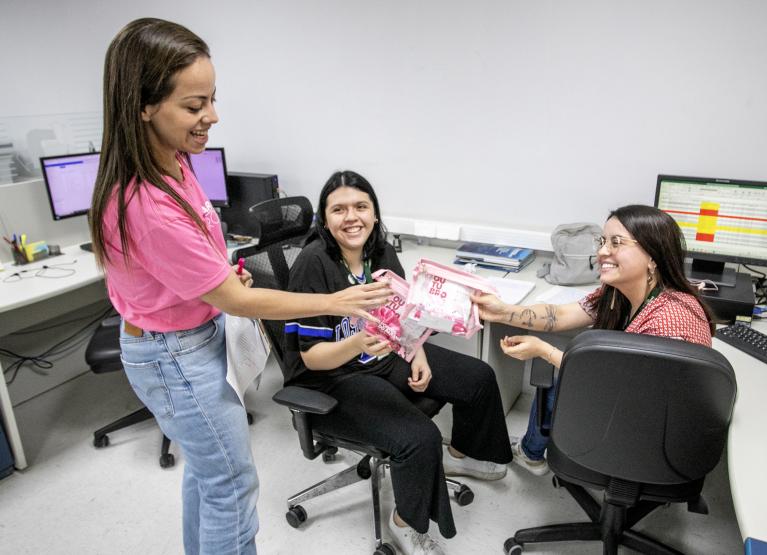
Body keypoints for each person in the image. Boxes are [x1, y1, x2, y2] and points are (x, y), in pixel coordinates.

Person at [88, 19, 391, 555]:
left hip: (192, 338)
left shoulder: (174, 163)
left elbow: (205, 266)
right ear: (144, 106)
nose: (213, 116)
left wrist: (220, 271)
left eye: (212, 99)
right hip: (172, 353)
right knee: (232, 484)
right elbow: (235, 300)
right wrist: (335, 300)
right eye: (195, 105)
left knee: (207, 476)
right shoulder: (145, 202)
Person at [283, 170, 512, 555]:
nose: (351, 216)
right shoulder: (312, 263)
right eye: (338, 209)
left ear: (374, 214)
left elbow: (407, 318)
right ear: (324, 219)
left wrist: (417, 352)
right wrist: (358, 341)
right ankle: (406, 523)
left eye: (360, 206)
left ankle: (460, 455)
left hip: (383, 354)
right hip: (331, 376)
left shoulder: (381, 252)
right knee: (419, 436)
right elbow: (311, 356)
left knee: (478, 377)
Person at [473, 204, 714, 475]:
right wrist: (504, 311)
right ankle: (532, 452)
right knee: (564, 373)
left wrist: (544, 351)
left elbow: (620, 390)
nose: (601, 252)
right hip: (638, 415)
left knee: (559, 378)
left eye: (616, 242)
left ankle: (532, 453)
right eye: (602, 241)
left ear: (653, 256)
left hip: (650, 439)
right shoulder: (619, 293)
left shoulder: (670, 320)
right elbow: (562, 315)